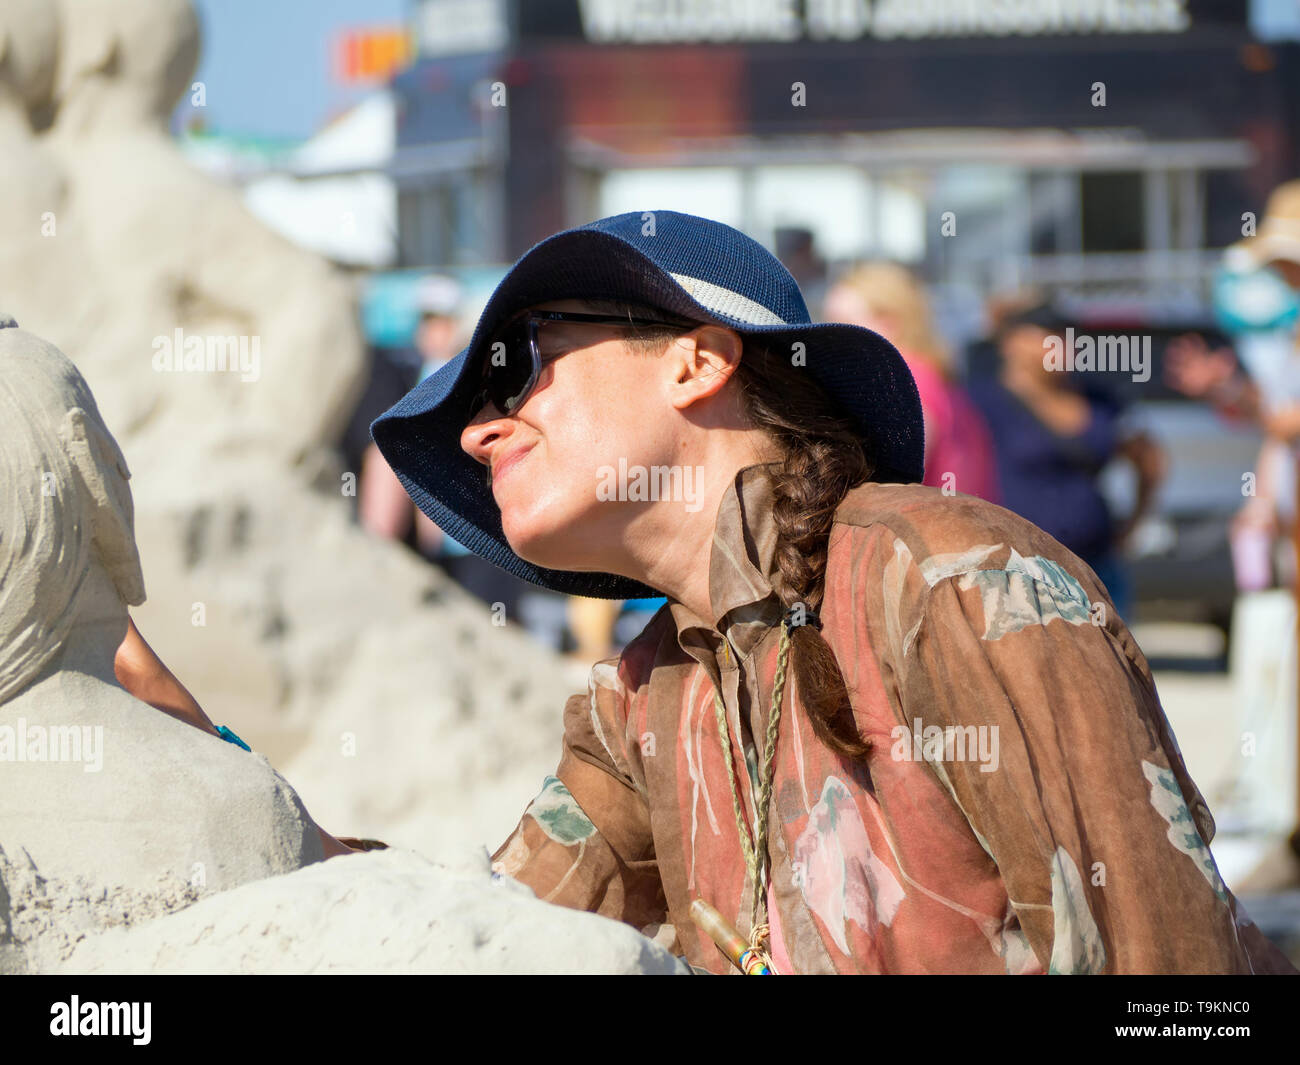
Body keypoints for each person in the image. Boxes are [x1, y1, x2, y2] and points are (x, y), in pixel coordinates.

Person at [370, 210, 1294, 974]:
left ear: (697, 361)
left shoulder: (948, 581)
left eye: (514, 368)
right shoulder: (644, 693)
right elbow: (468, 935)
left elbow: (1177, 988)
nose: (478, 434)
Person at [968, 302, 1165, 622]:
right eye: (1048, 337)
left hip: (1094, 567)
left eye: (1067, 337)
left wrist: (1134, 524)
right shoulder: (980, 402)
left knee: (1106, 667)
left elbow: (1149, 459)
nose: (1062, 347)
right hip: (1014, 571)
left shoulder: (1101, 399)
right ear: (1012, 343)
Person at [823, 261, 1000, 502]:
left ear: (889, 322)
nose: (829, 337)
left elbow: (890, 481)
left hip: (930, 531)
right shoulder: (928, 374)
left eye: (841, 322)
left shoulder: (900, 380)